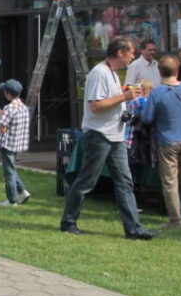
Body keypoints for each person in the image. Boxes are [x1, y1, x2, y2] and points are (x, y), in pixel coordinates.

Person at [60, 37, 160, 240]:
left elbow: (110, 101)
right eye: (131, 52)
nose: (133, 56)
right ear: (120, 53)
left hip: (115, 135)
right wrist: (124, 97)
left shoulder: (113, 73)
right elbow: (95, 105)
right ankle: (68, 221)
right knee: (86, 181)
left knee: (125, 182)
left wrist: (124, 97)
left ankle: (133, 229)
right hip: (99, 135)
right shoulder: (99, 73)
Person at [142, 55, 181, 229]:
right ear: (178, 71)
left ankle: (175, 220)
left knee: (170, 182)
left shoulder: (156, 92)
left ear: (159, 71)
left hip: (167, 140)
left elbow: (147, 118)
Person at [0, 79, 31, 207]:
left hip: (7, 144)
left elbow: (3, 128)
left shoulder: (9, 108)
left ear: (8, 94)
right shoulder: (24, 107)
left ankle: (12, 200)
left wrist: (0, 115)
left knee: (8, 172)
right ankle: (23, 191)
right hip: (17, 143)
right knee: (11, 168)